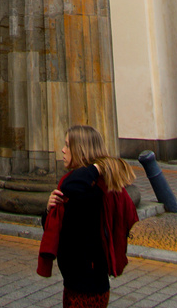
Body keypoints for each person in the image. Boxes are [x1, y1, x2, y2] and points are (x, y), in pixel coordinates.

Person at [37, 125, 137, 308]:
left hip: (88, 281)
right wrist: (48, 209)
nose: (63, 150)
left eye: (68, 145)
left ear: (81, 151)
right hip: (76, 280)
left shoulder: (92, 188)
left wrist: (97, 166)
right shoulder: (81, 185)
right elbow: (58, 227)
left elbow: (71, 185)